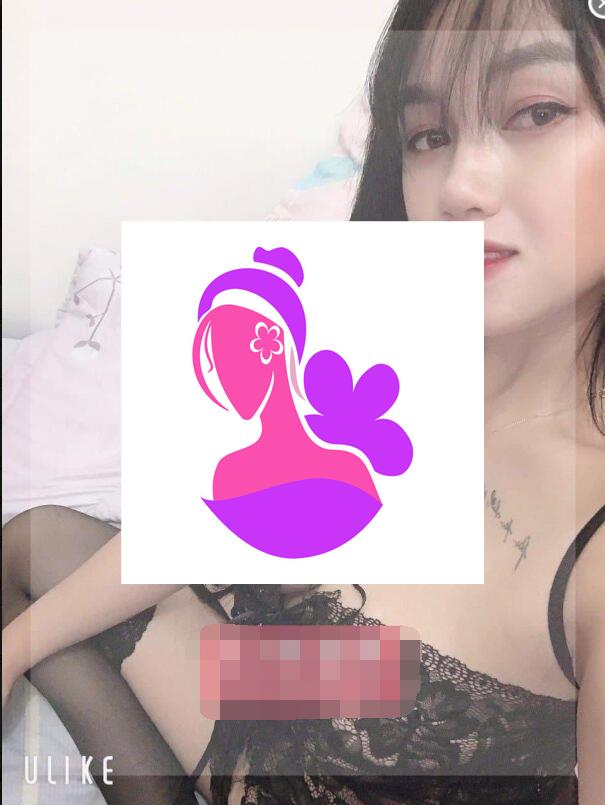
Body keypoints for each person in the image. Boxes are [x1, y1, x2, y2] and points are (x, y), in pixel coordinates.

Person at [3, 0, 604, 803]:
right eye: (427, 135)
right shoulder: (396, 346)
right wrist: (11, 653)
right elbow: (214, 522)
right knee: (31, 539)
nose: (459, 185)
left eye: (536, 112)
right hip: (306, 689)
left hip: (371, 759)